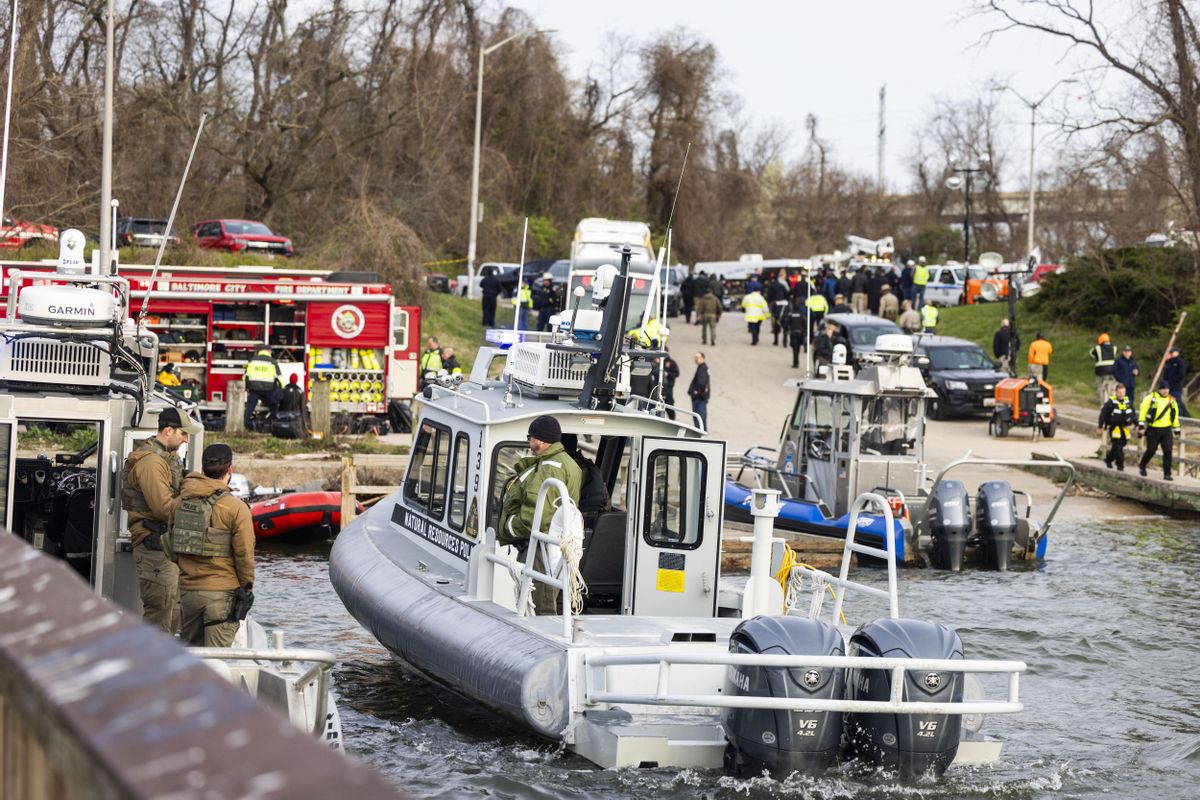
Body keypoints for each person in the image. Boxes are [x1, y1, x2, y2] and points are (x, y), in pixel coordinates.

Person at [122, 407, 201, 633]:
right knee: (160, 618)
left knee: (172, 613)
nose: (186, 439)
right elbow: (164, 509)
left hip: (165, 548)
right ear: (168, 431)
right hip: (154, 548)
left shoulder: (166, 457)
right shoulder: (151, 463)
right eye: (183, 433)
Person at [171, 443, 255, 647]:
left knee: (191, 659)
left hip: (188, 593)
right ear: (230, 470)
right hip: (221, 593)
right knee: (218, 661)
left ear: (203, 469)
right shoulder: (235, 508)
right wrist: (246, 588)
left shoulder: (180, 502)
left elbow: (170, 544)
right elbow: (244, 554)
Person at [497, 416, 582, 614]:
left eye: (530, 437)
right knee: (555, 596)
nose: (528, 441)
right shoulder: (569, 464)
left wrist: (508, 527)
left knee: (539, 605)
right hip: (559, 545)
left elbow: (536, 517)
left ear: (541, 440)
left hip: (540, 549)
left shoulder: (549, 469)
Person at [1138, 380, 1181, 479]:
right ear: (1159, 389)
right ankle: (1142, 465)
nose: (1165, 391)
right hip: (1153, 429)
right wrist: (1141, 425)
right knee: (1151, 450)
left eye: (1167, 389)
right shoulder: (1151, 398)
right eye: (1163, 389)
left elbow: (1175, 416)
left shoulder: (1172, 401)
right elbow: (1143, 411)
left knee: (1168, 451)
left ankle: (1167, 473)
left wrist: (1176, 428)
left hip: (1166, 430)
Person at [559, 433, 610, 516]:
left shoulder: (560, 466)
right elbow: (606, 500)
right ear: (575, 444)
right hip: (598, 518)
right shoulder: (591, 466)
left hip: (575, 518)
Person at [1098, 383, 1136, 471]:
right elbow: (1103, 414)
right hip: (1114, 428)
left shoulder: (1128, 402)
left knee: (1119, 446)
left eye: (1123, 393)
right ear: (1116, 392)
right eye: (1119, 393)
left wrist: (1137, 424)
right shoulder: (1111, 402)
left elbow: (1133, 414)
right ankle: (1120, 465)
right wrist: (1101, 425)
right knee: (1118, 446)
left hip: (1124, 428)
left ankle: (1109, 459)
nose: (1121, 395)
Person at [243, 348, 283, 429]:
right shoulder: (272, 361)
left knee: (250, 407)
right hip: (268, 390)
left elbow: (245, 376)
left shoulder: (252, 360)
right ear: (269, 351)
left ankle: (246, 424)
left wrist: (245, 387)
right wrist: (282, 389)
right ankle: (277, 425)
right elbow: (280, 378)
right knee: (273, 407)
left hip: (254, 389)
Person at [1089, 333, 1117, 404]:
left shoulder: (1097, 348)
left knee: (1100, 386)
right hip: (1112, 371)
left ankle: (1101, 400)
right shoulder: (1114, 347)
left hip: (1100, 371)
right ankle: (1111, 400)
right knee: (1111, 386)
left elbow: (1091, 355)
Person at [1162, 346, 1190, 417]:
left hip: (1175, 387)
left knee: (1177, 403)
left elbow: (1181, 374)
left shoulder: (1180, 362)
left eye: (1173, 352)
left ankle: (1180, 417)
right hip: (1168, 388)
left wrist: (1173, 381)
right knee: (1169, 404)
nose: (1172, 353)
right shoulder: (1169, 362)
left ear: (1177, 352)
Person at [688, 352, 711, 430]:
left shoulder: (702, 368)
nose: (696, 359)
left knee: (699, 418)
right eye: (695, 357)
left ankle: (699, 436)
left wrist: (697, 392)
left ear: (702, 358)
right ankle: (702, 434)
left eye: (697, 357)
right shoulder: (702, 367)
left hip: (699, 398)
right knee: (701, 418)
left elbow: (702, 382)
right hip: (701, 397)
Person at [768, 273, 790, 345]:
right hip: (785, 316)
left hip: (776, 311)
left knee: (776, 327)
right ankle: (785, 342)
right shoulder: (782, 286)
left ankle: (776, 341)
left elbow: (769, 295)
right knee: (785, 329)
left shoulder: (772, 285)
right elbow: (787, 294)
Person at [787, 297, 808, 368]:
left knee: (794, 348)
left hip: (793, 333)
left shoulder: (790, 315)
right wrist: (805, 332)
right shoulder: (802, 315)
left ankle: (795, 362)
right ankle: (796, 360)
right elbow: (805, 324)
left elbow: (787, 324)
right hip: (800, 334)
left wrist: (787, 330)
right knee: (798, 348)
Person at [662, 352, 681, 419]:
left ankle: (672, 419)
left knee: (669, 403)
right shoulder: (658, 360)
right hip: (659, 387)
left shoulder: (672, 362)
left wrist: (668, 374)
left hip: (669, 387)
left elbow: (677, 373)